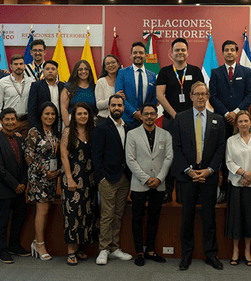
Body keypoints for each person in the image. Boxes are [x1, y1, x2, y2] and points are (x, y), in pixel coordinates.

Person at [171, 82, 226, 271]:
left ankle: (211, 255)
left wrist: (209, 170)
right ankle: (186, 256)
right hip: (188, 177)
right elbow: (176, 148)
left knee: (210, 218)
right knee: (187, 218)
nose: (201, 97)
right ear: (191, 96)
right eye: (197, 94)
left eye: (204, 94)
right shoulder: (180, 118)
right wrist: (189, 170)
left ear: (208, 96)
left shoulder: (217, 119)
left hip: (209, 176)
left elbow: (220, 149)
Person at [156, 38, 205, 203]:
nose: (180, 53)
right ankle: (168, 191)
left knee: (193, 154)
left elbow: (200, 94)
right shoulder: (164, 72)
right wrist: (176, 115)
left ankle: (192, 190)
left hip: (193, 121)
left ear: (187, 52)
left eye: (183, 50)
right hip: (171, 120)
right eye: (177, 50)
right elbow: (159, 95)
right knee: (169, 155)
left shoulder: (195, 70)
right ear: (171, 53)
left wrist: (186, 117)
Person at [125, 103, 173, 266]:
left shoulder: (165, 135)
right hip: (139, 183)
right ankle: (139, 251)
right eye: (146, 114)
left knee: (154, 217)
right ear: (141, 115)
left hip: (159, 183)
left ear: (156, 115)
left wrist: (159, 178)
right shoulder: (132, 134)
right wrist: (145, 179)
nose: (149, 117)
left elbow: (168, 158)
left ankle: (150, 250)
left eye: (152, 114)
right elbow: (130, 159)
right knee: (137, 217)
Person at [209, 40, 251, 204]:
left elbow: (250, 95)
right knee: (222, 154)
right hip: (221, 120)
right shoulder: (215, 72)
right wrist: (226, 113)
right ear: (222, 53)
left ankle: (240, 186)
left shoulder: (246, 71)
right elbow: (212, 96)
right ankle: (223, 190)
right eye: (226, 50)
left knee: (240, 154)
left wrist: (235, 113)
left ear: (237, 53)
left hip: (240, 121)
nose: (229, 52)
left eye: (232, 50)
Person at [93, 94, 137, 265]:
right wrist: (101, 177)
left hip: (124, 178)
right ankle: (103, 249)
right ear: (109, 107)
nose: (117, 108)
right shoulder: (102, 127)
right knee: (106, 214)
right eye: (114, 105)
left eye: (119, 105)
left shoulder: (128, 128)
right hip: (108, 179)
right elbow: (96, 156)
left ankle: (114, 248)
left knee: (118, 214)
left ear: (124, 107)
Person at [0, 108, 31, 264]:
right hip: (5, 188)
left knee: (19, 218)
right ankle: (3, 251)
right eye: (7, 119)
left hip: (20, 188)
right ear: (1, 121)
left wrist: (23, 183)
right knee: (3, 221)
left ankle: (14, 246)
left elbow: (25, 165)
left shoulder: (20, 139)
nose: (11, 122)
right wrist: (15, 185)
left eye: (13, 119)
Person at [224, 111, 251, 267]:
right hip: (236, 183)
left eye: (246, 121)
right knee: (236, 219)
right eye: (240, 121)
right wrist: (243, 174)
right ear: (236, 124)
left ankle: (247, 250)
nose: (243, 124)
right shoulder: (231, 140)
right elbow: (229, 161)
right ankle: (235, 251)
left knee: (250, 219)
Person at [59, 103, 99, 265]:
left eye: (85, 114)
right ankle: (70, 251)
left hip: (89, 179)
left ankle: (79, 248)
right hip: (72, 179)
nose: (82, 116)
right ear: (73, 116)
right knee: (72, 214)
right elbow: (63, 156)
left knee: (86, 214)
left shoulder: (92, 132)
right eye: (79, 114)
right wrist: (69, 178)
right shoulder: (68, 131)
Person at [24, 102, 62, 261]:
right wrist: (44, 172)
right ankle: (39, 243)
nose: (50, 117)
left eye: (53, 114)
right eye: (47, 114)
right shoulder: (34, 132)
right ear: (40, 115)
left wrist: (57, 172)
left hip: (52, 177)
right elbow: (28, 156)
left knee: (46, 210)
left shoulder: (55, 133)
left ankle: (36, 241)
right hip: (39, 178)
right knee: (42, 211)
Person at [0, 54, 35, 131]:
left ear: (24, 66)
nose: (18, 66)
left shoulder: (31, 82)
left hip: (26, 121)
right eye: (16, 64)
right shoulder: (2, 83)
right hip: (9, 121)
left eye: (21, 64)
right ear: (11, 66)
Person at [116, 42, 157, 124]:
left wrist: (145, 113)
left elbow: (155, 97)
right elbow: (119, 97)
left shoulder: (152, 75)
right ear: (131, 56)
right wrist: (134, 113)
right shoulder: (122, 73)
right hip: (127, 119)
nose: (138, 55)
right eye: (135, 53)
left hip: (146, 120)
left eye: (141, 53)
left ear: (146, 56)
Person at [27, 60, 64, 130]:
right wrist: (33, 127)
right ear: (43, 72)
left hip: (59, 122)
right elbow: (31, 109)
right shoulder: (36, 86)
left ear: (57, 72)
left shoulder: (63, 86)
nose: (50, 71)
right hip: (41, 123)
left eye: (53, 69)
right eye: (47, 69)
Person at [61, 60, 97, 128]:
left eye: (86, 69)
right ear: (76, 71)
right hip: (72, 123)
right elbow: (64, 108)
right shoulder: (68, 88)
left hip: (91, 124)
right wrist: (68, 126)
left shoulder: (95, 88)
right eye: (80, 69)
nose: (83, 71)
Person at [95, 55, 121, 121]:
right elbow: (99, 105)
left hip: (120, 119)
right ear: (105, 68)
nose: (110, 65)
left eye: (113, 62)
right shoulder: (101, 82)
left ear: (118, 64)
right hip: (104, 119)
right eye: (107, 64)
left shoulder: (123, 81)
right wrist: (114, 98)